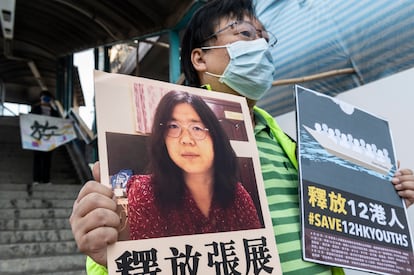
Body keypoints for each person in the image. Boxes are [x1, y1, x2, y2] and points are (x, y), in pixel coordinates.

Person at [70, 0, 414, 274]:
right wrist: (104, 256)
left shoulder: (290, 145)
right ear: (200, 57)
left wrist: (383, 196)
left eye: (266, 37)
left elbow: (336, 221)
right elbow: (133, 256)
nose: (262, 45)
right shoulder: (141, 187)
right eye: (246, 33)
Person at [127, 90, 261, 240]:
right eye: (173, 126)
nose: (186, 139)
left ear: (216, 137)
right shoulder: (145, 191)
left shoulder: (237, 194)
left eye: (196, 128)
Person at [28, 90, 59, 195]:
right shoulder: (35, 109)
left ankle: (46, 180)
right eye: (44, 98)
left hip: (49, 140)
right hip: (37, 139)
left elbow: (59, 124)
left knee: (47, 160)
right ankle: (36, 179)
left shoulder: (54, 112)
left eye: (47, 98)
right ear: (41, 98)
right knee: (37, 159)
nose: (45, 100)